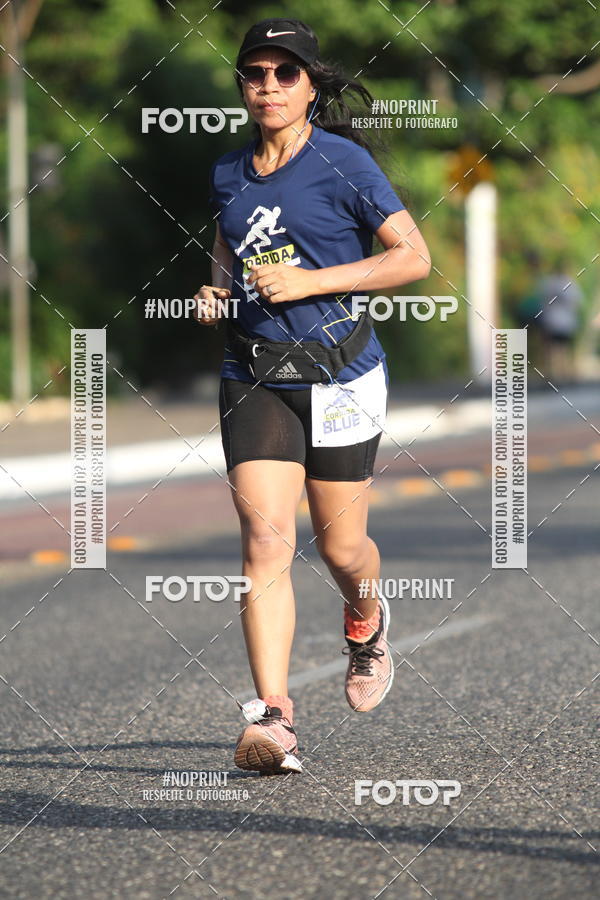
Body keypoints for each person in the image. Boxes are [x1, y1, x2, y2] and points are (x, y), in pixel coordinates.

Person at [194, 18, 431, 774]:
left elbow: (412, 259)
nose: (268, 86)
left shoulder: (344, 163)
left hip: (341, 374)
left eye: (284, 73)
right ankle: (272, 719)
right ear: (242, 86)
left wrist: (313, 282)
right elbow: (229, 252)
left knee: (341, 546)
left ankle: (366, 619)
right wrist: (215, 293)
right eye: (254, 73)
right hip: (254, 371)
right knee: (266, 542)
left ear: (309, 85)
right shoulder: (229, 171)